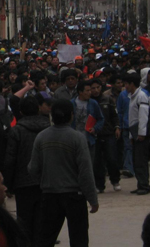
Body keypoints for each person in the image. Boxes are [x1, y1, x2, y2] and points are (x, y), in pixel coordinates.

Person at [28, 99, 99, 247]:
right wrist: (92, 199)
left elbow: (32, 168)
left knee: (46, 238)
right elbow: (85, 172)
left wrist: (45, 181)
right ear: (71, 115)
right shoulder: (77, 138)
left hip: (49, 195)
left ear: (52, 116)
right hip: (74, 196)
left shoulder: (41, 137)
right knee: (78, 238)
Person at [3, 96, 50, 245]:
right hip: (47, 182)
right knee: (43, 223)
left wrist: (8, 185)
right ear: (38, 109)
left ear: (21, 111)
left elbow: (10, 160)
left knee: (24, 223)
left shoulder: (17, 131)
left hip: (23, 183)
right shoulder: (49, 128)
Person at [124, 73, 150, 195]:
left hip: (142, 134)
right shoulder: (132, 97)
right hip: (136, 133)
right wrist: (132, 136)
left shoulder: (141, 96)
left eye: (126, 84)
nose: (125, 86)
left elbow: (143, 117)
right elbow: (133, 119)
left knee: (141, 161)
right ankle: (141, 184)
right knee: (137, 161)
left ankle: (144, 186)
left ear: (132, 84)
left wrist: (141, 133)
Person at [90, 78, 121, 193]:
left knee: (112, 158)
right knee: (97, 161)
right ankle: (99, 185)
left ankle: (115, 180)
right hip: (94, 134)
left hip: (108, 133)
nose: (95, 90)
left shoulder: (107, 99)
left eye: (97, 87)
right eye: (93, 88)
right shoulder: (89, 101)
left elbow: (114, 115)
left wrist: (117, 127)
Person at [71, 80, 104, 162]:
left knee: (89, 163)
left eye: (90, 90)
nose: (90, 92)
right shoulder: (71, 103)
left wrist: (95, 129)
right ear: (80, 92)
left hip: (89, 139)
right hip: (74, 139)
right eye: (87, 90)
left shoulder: (93, 103)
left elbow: (101, 118)